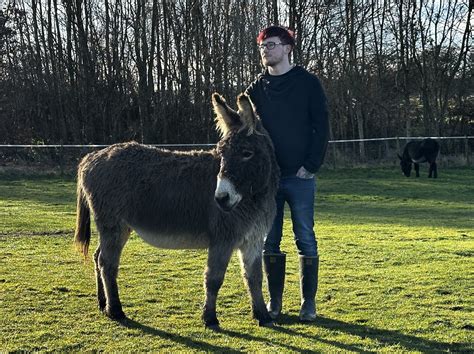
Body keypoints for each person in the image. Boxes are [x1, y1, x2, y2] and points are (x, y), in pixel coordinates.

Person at [245, 25, 329, 322]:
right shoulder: (255, 90)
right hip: (269, 181)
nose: (265, 50)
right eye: (262, 46)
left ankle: (308, 304)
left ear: (288, 48)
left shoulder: (308, 83)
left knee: (305, 237)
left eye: (270, 45)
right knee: (270, 240)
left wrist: (311, 166)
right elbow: (249, 135)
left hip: (301, 176)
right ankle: (275, 303)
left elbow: (322, 126)